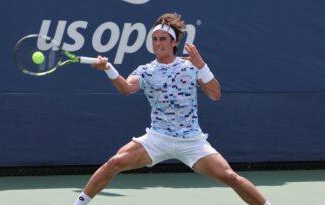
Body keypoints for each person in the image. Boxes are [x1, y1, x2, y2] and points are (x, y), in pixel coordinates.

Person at [74, 12, 272, 205]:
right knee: (114, 163)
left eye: (163, 39)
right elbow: (126, 88)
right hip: (157, 138)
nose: (158, 43)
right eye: (154, 39)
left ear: (174, 42)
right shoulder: (146, 71)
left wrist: (201, 64)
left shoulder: (190, 66)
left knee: (231, 177)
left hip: (192, 140)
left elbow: (215, 94)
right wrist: (109, 69)